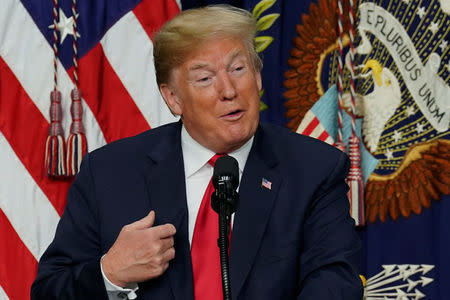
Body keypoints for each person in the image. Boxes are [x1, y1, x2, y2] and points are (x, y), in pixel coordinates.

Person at [31, 5, 363, 300]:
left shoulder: (314, 169)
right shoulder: (109, 173)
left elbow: (336, 283)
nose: (229, 91)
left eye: (238, 69)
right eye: (205, 78)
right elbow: (49, 289)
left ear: (258, 76)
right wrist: (110, 273)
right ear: (173, 98)